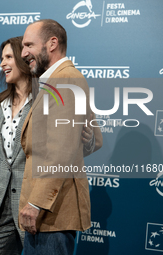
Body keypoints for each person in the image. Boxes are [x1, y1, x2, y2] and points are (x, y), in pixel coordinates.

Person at [0, 36, 99, 255]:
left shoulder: (51, 92)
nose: (2, 64)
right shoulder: (1, 103)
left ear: (23, 59)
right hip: (0, 206)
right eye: (2, 58)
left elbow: (88, 139)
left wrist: (88, 139)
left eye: (9, 57)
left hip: (37, 204)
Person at [19, 19, 103, 255]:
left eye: (28, 45)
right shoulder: (54, 80)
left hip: (50, 211)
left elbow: (61, 151)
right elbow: (95, 138)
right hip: (48, 210)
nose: (23, 53)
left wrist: (36, 203)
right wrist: (79, 140)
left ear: (52, 43)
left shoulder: (66, 80)